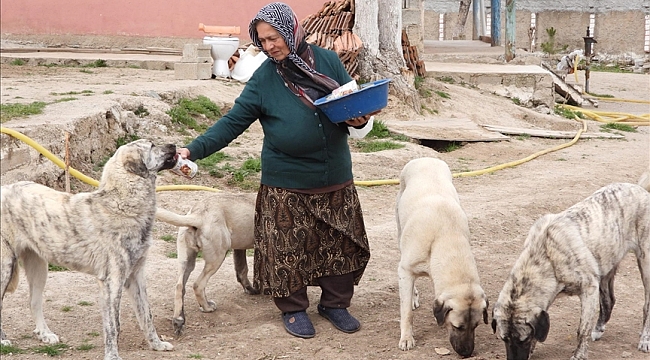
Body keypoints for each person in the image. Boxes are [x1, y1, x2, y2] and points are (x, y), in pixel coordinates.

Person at [176, 2, 371, 339]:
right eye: (262, 40)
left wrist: (361, 120)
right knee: (287, 250)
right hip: (286, 182)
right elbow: (231, 123)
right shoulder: (264, 78)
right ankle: (294, 309)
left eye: (274, 37)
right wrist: (191, 150)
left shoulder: (328, 62)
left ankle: (335, 304)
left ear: (291, 31)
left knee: (339, 244)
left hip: (333, 176)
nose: (269, 46)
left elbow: (353, 106)